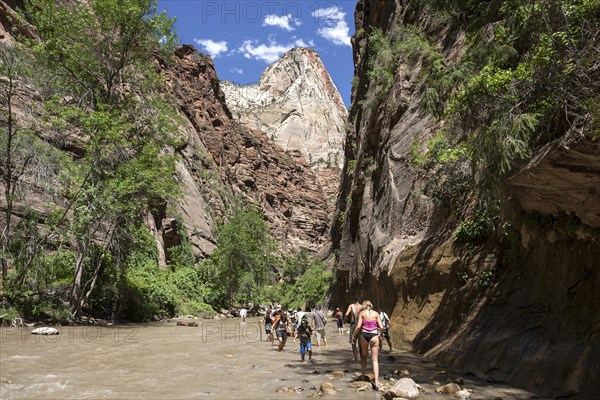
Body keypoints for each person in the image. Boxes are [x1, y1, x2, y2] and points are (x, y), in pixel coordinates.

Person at [351, 300, 384, 390]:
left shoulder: (362, 313)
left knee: (364, 357)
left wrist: (353, 336)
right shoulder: (376, 314)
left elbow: (358, 326)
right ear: (371, 305)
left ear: (364, 306)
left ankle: (362, 375)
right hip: (374, 336)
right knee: (375, 360)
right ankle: (376, 382)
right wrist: (380, 335)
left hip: (364, 335)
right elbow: (381, 327)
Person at [345, 297, 362, 363]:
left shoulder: (351, 306)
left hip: (353, 325)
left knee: (353, 343)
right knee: (360, 344)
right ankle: (362, 360)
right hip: (360, 326)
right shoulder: (362, 307)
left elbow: (346, 314)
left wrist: (344, 320)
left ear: (354, 300)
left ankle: (356, 360)